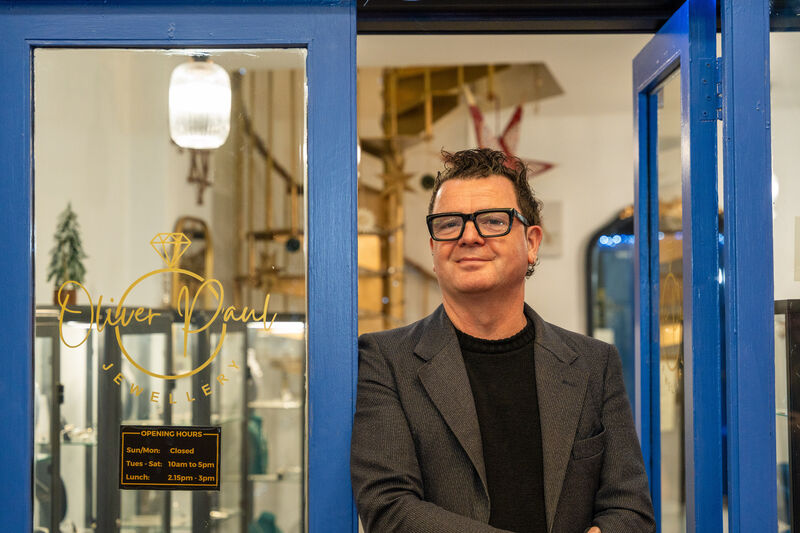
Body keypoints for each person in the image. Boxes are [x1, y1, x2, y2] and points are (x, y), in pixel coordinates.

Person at [350, 148, 655, 533]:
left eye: (493, 221)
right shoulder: (384, 360)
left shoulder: (595, 363)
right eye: (449, 224)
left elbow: (630, 511)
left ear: (532, 243)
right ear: (432, 249)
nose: (468, 236)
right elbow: (389, 509)